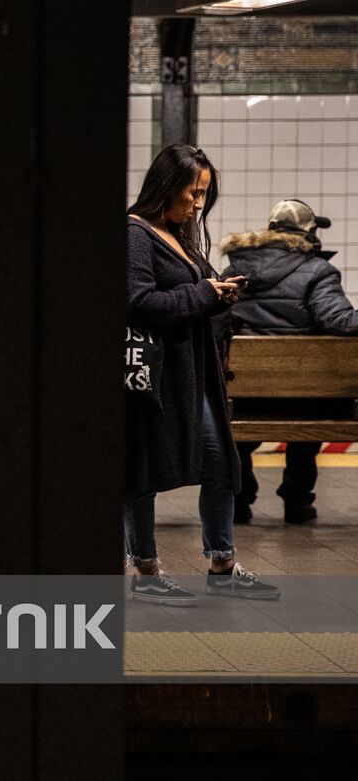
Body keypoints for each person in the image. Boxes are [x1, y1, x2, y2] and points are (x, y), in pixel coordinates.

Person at [126, 144, 279, 604]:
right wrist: (203, 295)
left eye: (204, 195)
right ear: (166, 187)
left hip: (194, 373)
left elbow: (195, 291)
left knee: (220, 462)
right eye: (193, 193)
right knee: (143, 469)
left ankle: (222, 562)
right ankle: (146, 570)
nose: (197, 204)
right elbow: (136, 301)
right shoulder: (134, 233)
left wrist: (219, 293)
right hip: (156, 375)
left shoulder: (177, 233)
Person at [220, 199, 358, 525]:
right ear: (309, 234)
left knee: (237, 416)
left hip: (243, 397)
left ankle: (240, 500)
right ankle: (297, 501)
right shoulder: (318, 271)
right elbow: (340, 322)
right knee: (312, 406)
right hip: (309, 398)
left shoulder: (233, 270)